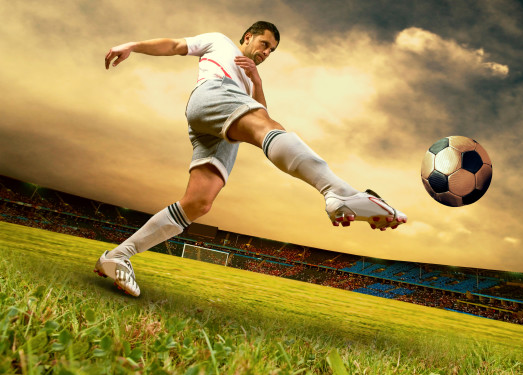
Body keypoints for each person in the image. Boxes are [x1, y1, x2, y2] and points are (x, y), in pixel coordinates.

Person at [94, 21, 407, 296]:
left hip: (220, 128)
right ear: (247, 37)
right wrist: (132, 46)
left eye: (272, 50)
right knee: (269, 128)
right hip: (214, 94)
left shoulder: (251, 79)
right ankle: (336, 191)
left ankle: (119, 256)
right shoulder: (220, 42)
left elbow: (264, 114)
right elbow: (176, 46)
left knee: (198, 203)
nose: (267, 52)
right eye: (265, 44)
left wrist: (256, 82)